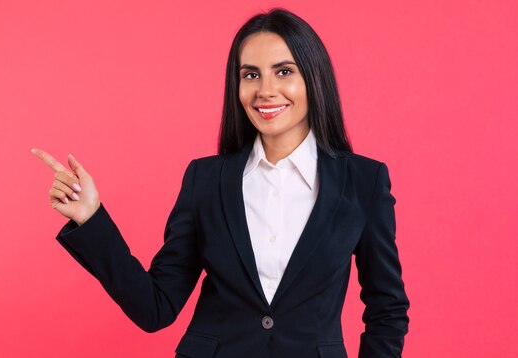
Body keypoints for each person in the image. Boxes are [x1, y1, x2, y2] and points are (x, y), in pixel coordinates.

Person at [32, 8, 409, 358]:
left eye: (283, 71)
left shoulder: (363, 181)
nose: (265, 90)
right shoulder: (206, 180)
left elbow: (387, 309)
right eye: (250, 74)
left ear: (313, 77)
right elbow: (155, 308)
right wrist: (91, 218)